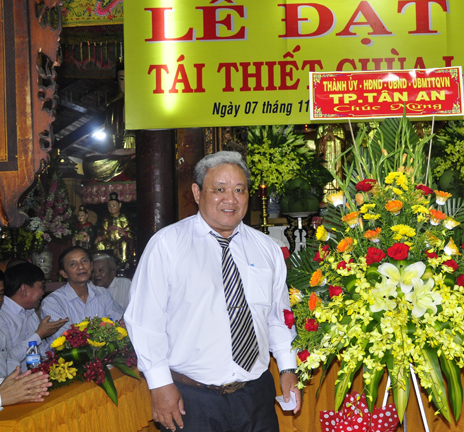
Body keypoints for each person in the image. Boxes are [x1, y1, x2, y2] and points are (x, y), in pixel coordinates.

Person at [124, 151, 301, 432]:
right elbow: (145, 321)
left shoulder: (267, 249)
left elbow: (279, 317)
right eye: (219, 189)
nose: (231, 199)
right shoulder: (168, 245)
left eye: (239, 190)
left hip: (256, 394)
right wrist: (159, 384)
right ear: (197, 193)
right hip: (192, 399)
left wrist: (288, 368)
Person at [40, 246, 124, 343]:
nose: (80, 267)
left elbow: (119, 324)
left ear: (91, 266)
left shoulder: (103, 294)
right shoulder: (53, 302)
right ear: (64, 273)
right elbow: (65, 340)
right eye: (73, 264)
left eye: (84, 261)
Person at [0, 264, 68, 371]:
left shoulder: (29, 311)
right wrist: (39, 334)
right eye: (41, 286)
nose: (43, 292)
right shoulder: (2, 315)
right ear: (24, 289)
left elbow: (42, 352)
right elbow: (8, 358)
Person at [95, 192, 134, 268]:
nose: (111, 208)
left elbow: (130, 231)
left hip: (120, 241)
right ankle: (102, 264)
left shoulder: (123, 217)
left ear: (119, 205)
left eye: (114, 205)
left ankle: (123, 263)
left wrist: (125, 233)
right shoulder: (106, 219)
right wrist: (101, 237)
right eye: (109, 206)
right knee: (100, 244)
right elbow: (103, 231)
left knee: (124, 243)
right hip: (108, 241)